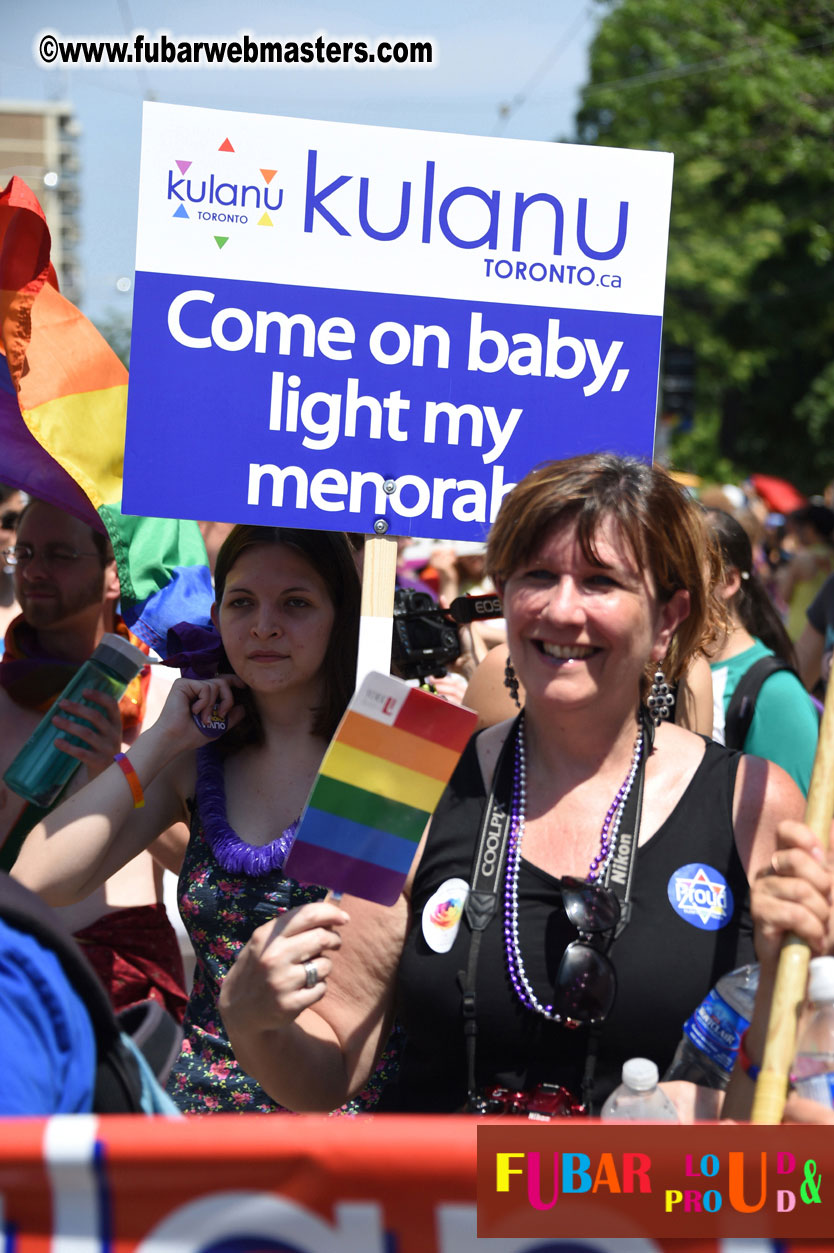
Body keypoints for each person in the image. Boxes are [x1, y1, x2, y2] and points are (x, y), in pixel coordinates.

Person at [218, 454, 803, 1115]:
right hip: (440, 1209)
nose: (561, 608)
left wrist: (727, 1083)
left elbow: (792, 1106)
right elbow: (323, 1071)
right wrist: (252, 1019)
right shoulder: (394, 763)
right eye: (537, 576)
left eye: (600, 581)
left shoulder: (756, 799)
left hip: (646, 1211)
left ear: (667, 618)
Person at [13, 524, 398, 1114]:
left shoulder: (389, 763)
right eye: (242, 603)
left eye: (295, 603)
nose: (264, 626)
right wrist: (156, 744)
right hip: (196, 1126)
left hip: (341, 1135)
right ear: (216, 615)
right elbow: (38, 879)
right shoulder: (197, 762)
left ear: (340, 615)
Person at [0, 499, 188, 1021]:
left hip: (128, 981)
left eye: (60, 554)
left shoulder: (169, 700)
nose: (35, 570)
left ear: (112, 575)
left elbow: (199, 864)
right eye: (27, 552)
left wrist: (117, 770)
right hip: (13, 975)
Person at [704, 509, 819, 794]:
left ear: (728, 582)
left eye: (680, 568)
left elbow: (794, 822)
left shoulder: (775, 693)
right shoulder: (659, 670)